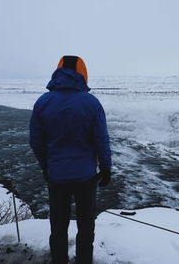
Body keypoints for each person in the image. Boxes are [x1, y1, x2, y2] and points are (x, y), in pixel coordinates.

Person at [29, 55, 112, 264]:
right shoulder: (91, 103)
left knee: (58, 226)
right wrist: (106, 167)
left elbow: (36, 142)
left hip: (57, 176)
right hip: (85, 177)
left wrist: (46, 166)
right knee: (85, 226)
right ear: (82, 73)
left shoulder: (43, 103)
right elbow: (101, 139)